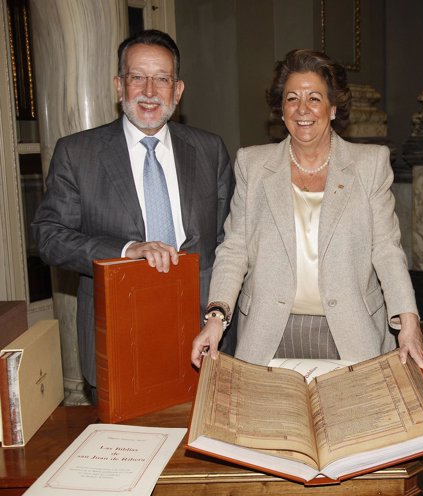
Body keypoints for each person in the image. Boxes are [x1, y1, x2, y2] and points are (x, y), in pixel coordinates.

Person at [191, 48, 423, 373]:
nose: (302, 110)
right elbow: (235, 249)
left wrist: (409, 321)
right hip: (268, 331)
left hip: (350, 329)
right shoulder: (253, 164)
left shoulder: (369, 164)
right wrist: (216, 316)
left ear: (332, 108)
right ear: (281, 108)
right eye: (291, 99)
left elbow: (386, 250)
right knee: (272, 423)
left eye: (314, 98)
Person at [32, 29, 234, 395]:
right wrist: (127, 250)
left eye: (162, 79)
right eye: (137, 77)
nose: (150, 91)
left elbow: (228, 243)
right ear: (119, 85)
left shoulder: (210, 150)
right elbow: (49, 237)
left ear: (178, 90)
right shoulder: (78, 153)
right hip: (118, 334)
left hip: (201, 336)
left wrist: (220, 317)